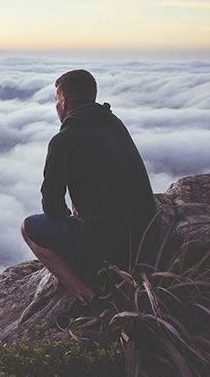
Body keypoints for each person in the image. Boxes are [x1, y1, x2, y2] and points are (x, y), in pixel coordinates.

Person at [21, 69, 157, 311]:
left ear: (62, 103)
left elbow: (51, 206)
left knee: (29, 229)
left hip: (109, 245)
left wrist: (73, 215)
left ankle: (90, 299)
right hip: (147, 238)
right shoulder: (114, 123)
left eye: (56, 101)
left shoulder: (64, 140)